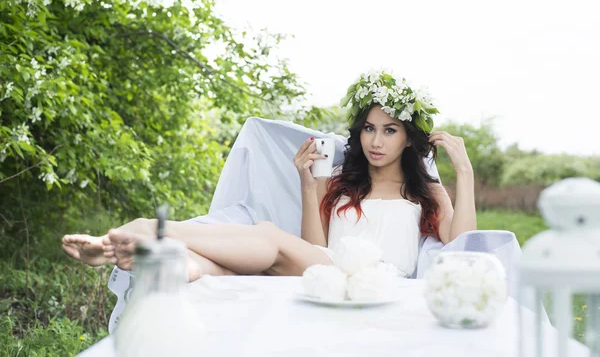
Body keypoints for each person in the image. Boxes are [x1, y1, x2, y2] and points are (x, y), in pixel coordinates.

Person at [62, 70, 476, 281]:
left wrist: (464, 170)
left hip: (383, 281)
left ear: (408, 139)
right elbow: (315, 249)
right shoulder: (339, 183)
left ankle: (151, 230)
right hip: (327, 270)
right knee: (253, 258)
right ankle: (149, 255)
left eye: (389, 130)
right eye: (369, 128)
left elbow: (461, 248)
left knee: (269, 243)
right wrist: (307, 183)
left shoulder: (428, 193)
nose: (376, 141)